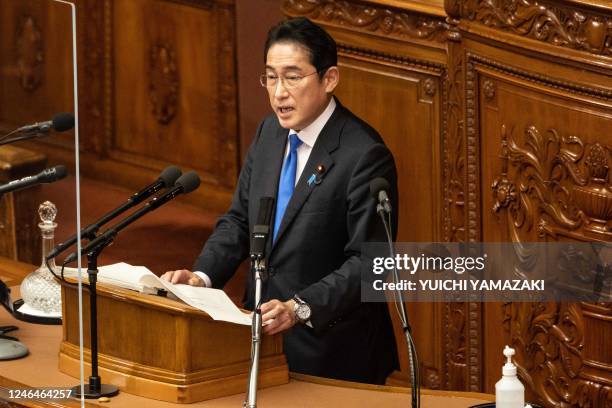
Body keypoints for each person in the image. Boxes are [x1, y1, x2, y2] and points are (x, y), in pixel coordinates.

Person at [162, 17, 398, 384]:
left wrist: (300, 308)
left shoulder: (364, 154)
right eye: (271, 77)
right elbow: (240, 219)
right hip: (259, 338)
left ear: (329, 79)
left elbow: (369, 263)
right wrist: (201, 276)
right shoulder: (270, 132)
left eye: (292, 76)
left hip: (331, 351)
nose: (278, 92)